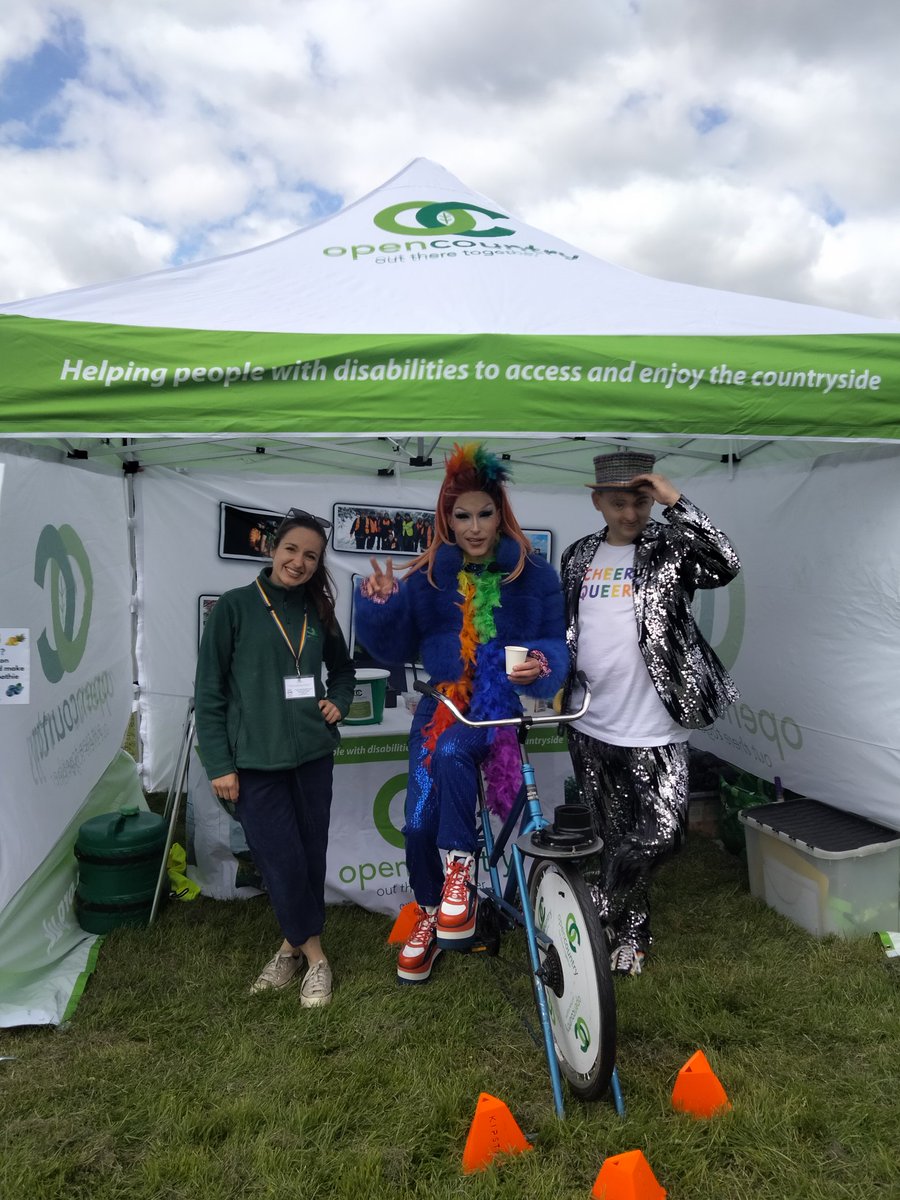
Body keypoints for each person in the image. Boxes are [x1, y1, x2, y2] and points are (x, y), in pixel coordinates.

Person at [355, 444, 568, 984]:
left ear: (502, 515)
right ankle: (431, 912)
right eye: (462, 515)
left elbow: (553, 644)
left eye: (485, 513)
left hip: (497, 713)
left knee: (461, 759)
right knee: (418, 822)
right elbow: (392, 646)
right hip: (439, 708)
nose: (474, 527)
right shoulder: (429, 579)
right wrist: (380, 607)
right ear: (447, 520)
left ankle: (462, 873)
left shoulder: (533, 576)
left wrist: (541, 663)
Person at [560, 450, 741, 977]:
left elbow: (725, 563)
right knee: (614, 833)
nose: (631, 514)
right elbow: (567, 626)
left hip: (654, 724)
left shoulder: (669, 547)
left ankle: (599, 902)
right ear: (597, 501)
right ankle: (631, 934)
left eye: (640, 502)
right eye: (619, 503)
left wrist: (676, 501)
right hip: (590, 721)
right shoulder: (577, 556)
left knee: (665, 833)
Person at [194, 508, 355, 1005]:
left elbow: (344, 671)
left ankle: (289, 949)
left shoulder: (318, 612)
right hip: (256, 762)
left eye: (311, 556)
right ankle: (317, 959)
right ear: (272, 550)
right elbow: (209, 691)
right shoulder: (236, 608)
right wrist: (219, 764)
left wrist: (339, 702)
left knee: (309, 856)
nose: (299, 562)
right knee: (280, 860)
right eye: (292, 550)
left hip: (312, 756)